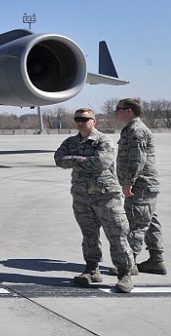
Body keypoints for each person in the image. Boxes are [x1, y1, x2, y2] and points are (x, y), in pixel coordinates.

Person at [54, 108, 133, 293]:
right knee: (89, 234)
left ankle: (124, 274)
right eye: (77, 119)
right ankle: (91, 270)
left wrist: (74, 161)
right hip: (81, 197)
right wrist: (81, 158)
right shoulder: (70, 141)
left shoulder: (104, 140)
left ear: (94, 121)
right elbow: (58, 159)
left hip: (105, 196)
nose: (80, 122)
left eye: (85, 119)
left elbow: (101, 163)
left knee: (117, 234)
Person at [115, 98, 165, 275]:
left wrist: (129, 182)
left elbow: (137, 159)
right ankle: (156, 259)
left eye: (118, 109)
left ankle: (129, 263)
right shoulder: (132, 129)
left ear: (129, 111)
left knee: (136, 223)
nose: (116, 112)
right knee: (149, 221)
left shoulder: (136, 130)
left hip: (140, 185)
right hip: (145, 185)